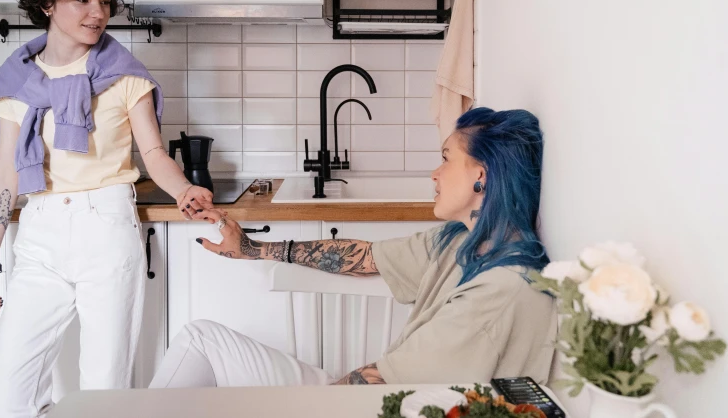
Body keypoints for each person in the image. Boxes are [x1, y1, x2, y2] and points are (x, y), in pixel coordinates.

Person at [0, 0, 214, 418]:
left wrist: (184, 189)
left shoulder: (125, 76)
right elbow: (4, 177)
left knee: (105, 395)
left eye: (104, 1)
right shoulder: (18, 81)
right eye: (82, 0)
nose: (97, 12)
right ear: (48, 3)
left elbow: (153, 154)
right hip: (39, 236)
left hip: (106, 230)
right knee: (7, 401)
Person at [149, 107, 558, 388]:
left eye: (446, 159)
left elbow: (386, 382)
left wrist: (299, 406)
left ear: (480, 176)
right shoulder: (462, 239)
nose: (435, 173)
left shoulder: (502, 291)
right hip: (358, 391)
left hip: (365, 403)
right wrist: (252, 248)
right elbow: (363, 256)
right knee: (200, 338)